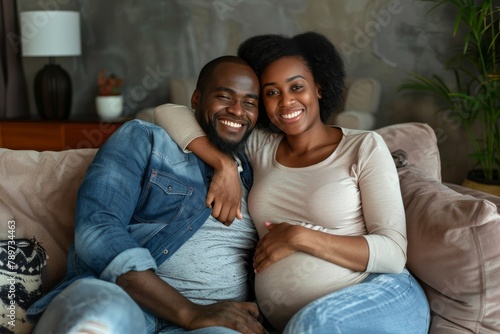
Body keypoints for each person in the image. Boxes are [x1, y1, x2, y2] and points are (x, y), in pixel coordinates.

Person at [154, 32, 431, 334]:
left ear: (319, 88)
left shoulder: (363, 147)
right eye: (272, 93)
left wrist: (299, 237)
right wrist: (225, 164)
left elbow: (392, 253)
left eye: (297, 87)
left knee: (312, 324)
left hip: (378, 293)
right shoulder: (261, 147)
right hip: (298, 322)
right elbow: (169, 112)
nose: (286, 102)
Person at [26, 55, 266, 334]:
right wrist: (189, 312)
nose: (237, 110)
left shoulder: (258, 171)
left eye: (249, 102)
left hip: (214, 322)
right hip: (125, 301)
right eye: (225, 96)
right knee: (100, 319)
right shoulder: (145, 141)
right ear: (196, 99)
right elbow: (97, 228)